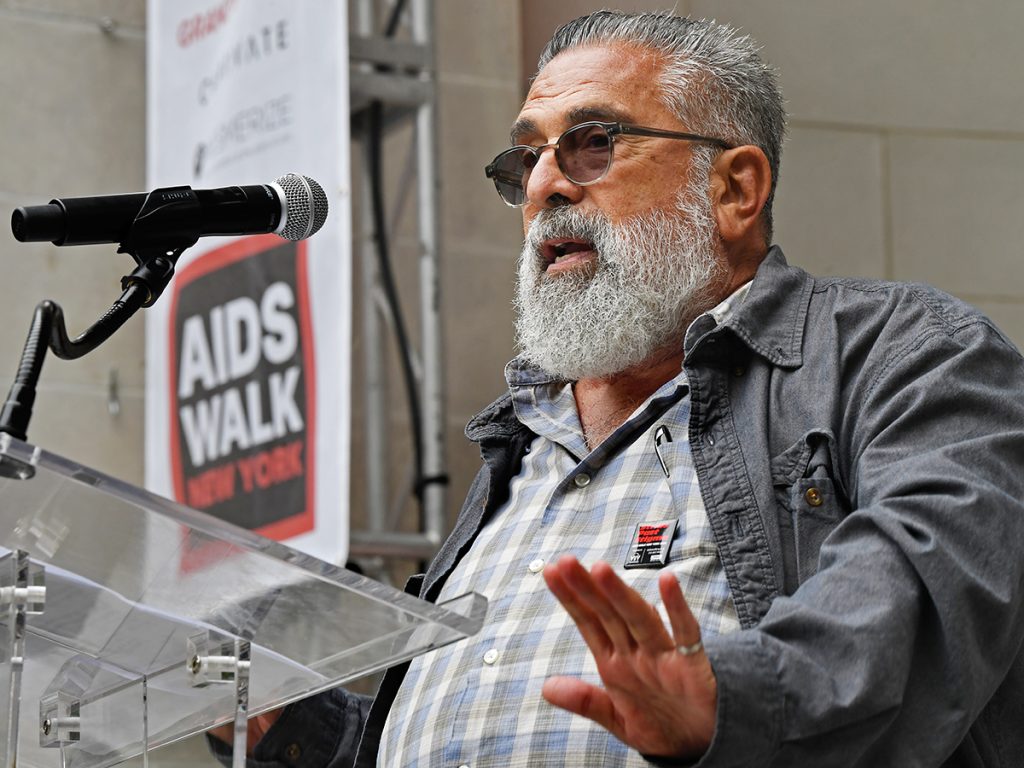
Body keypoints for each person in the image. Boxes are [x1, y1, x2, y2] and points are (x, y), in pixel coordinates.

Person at [213, 10, 1024, 767]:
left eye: (592, 144)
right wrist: (290, 727)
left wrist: (727, 700)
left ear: (735, 189)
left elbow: (930, 585)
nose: (543, 187)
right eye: (527, 159)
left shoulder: (900, 353)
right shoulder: (521, 440)